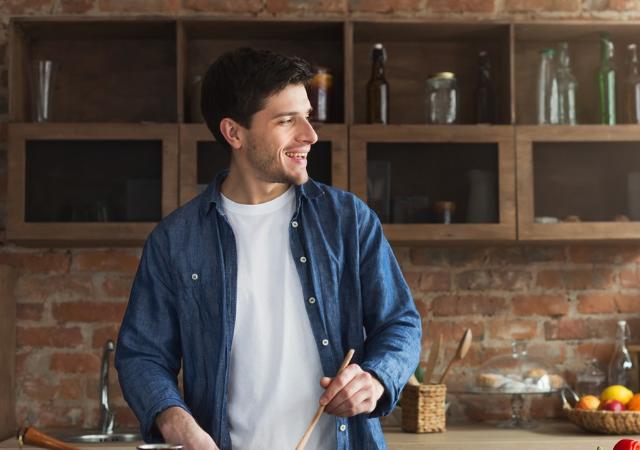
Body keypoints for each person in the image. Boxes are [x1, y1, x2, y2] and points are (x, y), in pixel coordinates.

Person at [115, 47, 421, 450]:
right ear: (234, 133)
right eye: (286, 120)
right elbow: (142, 356)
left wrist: (376, 379)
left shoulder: (348, 220)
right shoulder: (175, 240)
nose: (310, 135)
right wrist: (176, 423)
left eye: (307, 116)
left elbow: (400, 323)